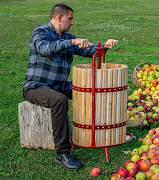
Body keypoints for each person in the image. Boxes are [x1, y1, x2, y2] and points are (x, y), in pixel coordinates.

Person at [23, 3, 118, 170]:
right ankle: (62, 153)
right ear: (58, 18)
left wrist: (104, 46)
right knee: (59, 100)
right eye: (70, 18)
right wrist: (71, 42)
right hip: (36, 87)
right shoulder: (40, 32)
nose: (72, 22)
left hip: (58, 85)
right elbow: (44, 49)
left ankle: (90, 134)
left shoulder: (67, 36)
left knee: (89, 91)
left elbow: (90, 51)